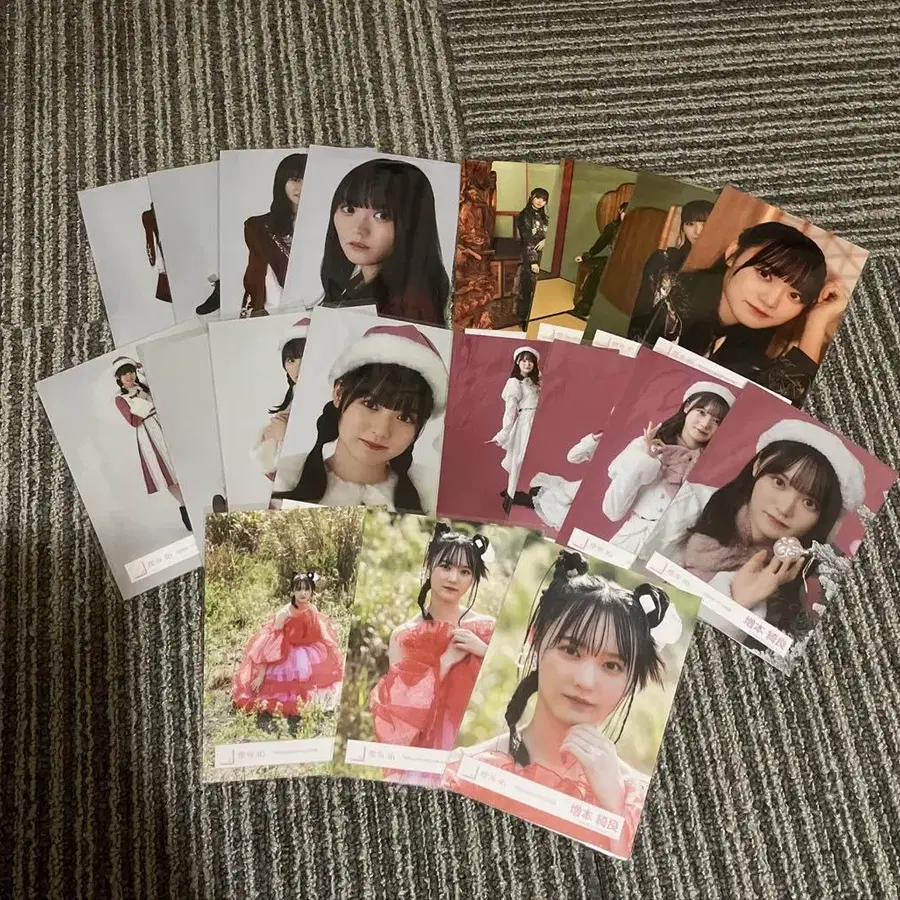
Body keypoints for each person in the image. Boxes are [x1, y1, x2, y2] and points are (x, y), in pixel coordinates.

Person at [444, 548, 681, 857]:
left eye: (611, 665)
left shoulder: (635, 798)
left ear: (632, 679)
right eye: (571, 651)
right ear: (536, 638)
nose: (585, 680)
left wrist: (614, 809)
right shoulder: (463, 770)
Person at [643, 418, 864, 640]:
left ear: (821, 520)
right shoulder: (688, 503)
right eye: (779, 482)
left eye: (809, 503)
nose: (785, 508)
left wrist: (738, 602)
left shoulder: (795, 589)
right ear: (758, 466)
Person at [635, 221, 847, 404]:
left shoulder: (746, 350)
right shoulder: (669, 286)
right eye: (764, 274)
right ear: (733, 254)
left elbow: (770, 407)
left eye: (794, 295)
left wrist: (817, 321)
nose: (771, 301)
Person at [272, 323, 448, 514]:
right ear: (339, 393)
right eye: (370, 405)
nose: (381, 431)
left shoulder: (434, 499)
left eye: (404, 417)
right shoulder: (283, 482)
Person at [369, 524, 493, 784]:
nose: (453, 578)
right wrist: (444, 664)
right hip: (422, 753)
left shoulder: (485, 630)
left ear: (473, 579)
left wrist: (483, 652)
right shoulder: (405, 636)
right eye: (446, 566)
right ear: (428, 566)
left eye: (465, 571)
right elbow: (399, 711)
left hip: (473, 745)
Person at [600, 382, 735, 555]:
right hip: (628, 543)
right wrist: (645, 460)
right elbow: (612, 510)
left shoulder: (713, 469)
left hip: (670, 556)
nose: (706, 423)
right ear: (687, 407)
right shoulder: (648, 445)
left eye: (716, 421)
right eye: (701, 412)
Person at [319, 158, 450, 326]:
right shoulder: (356, 285)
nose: (359, 229)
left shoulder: (403, 311)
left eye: (382, 216)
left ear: (414, 224)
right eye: (349, 209)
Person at [232, 571, 343, 726]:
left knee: (314, 670)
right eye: (299, 589)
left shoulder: (311, 609)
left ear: (312, 590)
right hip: (284, 653)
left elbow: (318, 635)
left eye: (306, 589)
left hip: (307, 651)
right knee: (287, 678)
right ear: (293, 591)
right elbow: (271, 646)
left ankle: (309, 697)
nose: (303, 593)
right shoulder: (284, 614)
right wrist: (261, 674)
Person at [112, 356, 190, 531]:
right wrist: (143, 402)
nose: (129, 376)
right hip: (149, 433)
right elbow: (133, 420)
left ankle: (194, 503)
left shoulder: (145, 385)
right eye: (124, 374)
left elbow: (163, 387)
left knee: (182, 465)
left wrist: (142, 368)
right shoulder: (120, 398)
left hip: (165, 425)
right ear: (119, 378)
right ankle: (186, 509)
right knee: (167, 474)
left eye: (131, 372)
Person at [627, 199, 714, 340]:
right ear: (682, 227)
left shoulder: (720, 269)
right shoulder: (663, 259)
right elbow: (643, 305)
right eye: (690, 224)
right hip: (650, 336)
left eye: (705, 224)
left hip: (692, 343)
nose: (698, 231)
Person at [239, 152, 308, 318]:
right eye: (295, 179)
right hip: (272, 313)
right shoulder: (259, 226)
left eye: (307, 179)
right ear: (282, 181)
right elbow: (256, 276)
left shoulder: (332, 224)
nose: (302, 186)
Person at [250, 319, 309, 481]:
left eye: (304, 357)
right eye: (291, 360)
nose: (297, 367)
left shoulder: (332, 398)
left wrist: (285, 435)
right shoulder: (291, 401)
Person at [491, 347, 541, 514]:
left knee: (532, 461)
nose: (527, 364)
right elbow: (510, 410)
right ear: (518, 362)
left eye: (531, 361)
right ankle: (510, 497)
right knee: (518, 461)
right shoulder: (514, 383)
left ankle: (517, 493)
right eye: (524, 360)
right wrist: (504, 433)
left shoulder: (535, 383)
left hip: (537, 423)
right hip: (525, 423)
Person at [528, 431, 604, 530]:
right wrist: (595, 438)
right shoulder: (558, 491)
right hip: (592, 485)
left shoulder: (550, 497)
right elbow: (572, 457)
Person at [572, 201, 628, 318]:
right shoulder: (612, 227)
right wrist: (586, 255)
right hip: (611, 261)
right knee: (596, 275)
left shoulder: (635, 231)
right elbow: (600, 244)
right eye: (624, 212)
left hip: (625, 263)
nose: (626, 216)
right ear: (620, 211)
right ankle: (586, 306)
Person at [513, 188, 550, 330]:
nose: (540, 201)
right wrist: (533, 260)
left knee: (539, 288)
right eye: (538, 198)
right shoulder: (524, 215)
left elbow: (548, 234)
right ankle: (525, 320)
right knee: (527, 287)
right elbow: (527, 239)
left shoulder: (545, 217)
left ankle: (536, 318)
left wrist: (546, 241)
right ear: (531, 197)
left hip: (543, 255)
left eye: (544, 199)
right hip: (528, 255)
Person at [141, 205, 172, 303]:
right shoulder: (149, 216)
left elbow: (149, 240)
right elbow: (150, 240)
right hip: (163, 252)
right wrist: (153, 260)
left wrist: (153, 260)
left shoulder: (149, 216)